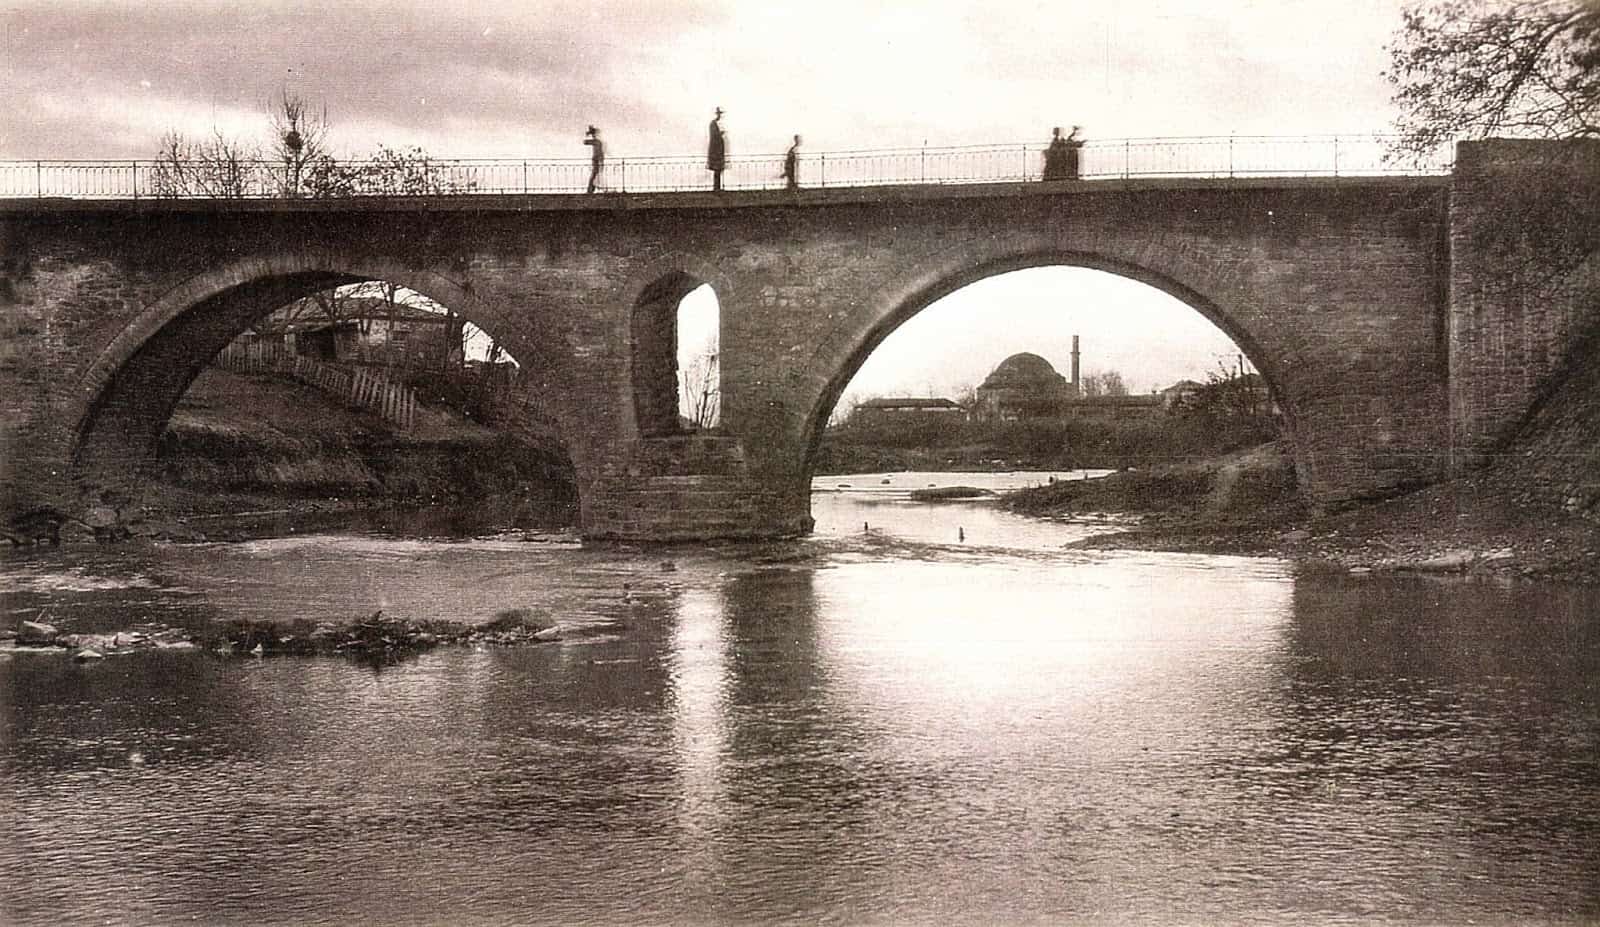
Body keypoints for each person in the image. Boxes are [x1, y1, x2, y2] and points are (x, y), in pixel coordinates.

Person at [707, 107, 728, 192]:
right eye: (719, 114)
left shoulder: (715, 124)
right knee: (717, 169)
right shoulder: (713, 124)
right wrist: (721, 134)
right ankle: (717, 187)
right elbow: (714, 136)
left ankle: (717, 187)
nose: (720, 116)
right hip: (716, 151)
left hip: (717, 150)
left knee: (718, 169)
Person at [583, 125, 604, 194]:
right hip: (597, 159)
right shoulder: (597, 142)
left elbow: (585, 142)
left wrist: (589, 133)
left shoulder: (597, 141)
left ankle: (591, 188)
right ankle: (591, 188)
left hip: (596, 159)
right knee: (595, 173)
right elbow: (585, 142)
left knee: (595, 173)